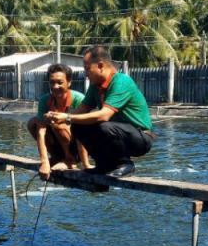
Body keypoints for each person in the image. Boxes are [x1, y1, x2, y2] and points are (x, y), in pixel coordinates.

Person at [44, 46, 153, 177]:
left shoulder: (121, 81)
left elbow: (104, 115)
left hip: (140, 138)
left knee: (104, 125)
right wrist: (56, 115)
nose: (85, 73)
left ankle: (125, 164)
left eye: (87, 69)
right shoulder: (95, 86)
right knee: (79, 126)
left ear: (100, 65)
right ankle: (103, 164)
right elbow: (81, 110)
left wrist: (67, 118)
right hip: (117, 135)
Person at [27, 64, 91, 181]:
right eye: (52, 82)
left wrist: (86, 164)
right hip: (60, 142)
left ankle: (70, 160)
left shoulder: (79, 99)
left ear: (69, 82)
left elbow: (85, 133)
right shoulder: (45, 101)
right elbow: (41, 132)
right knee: (32, 123)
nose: (55, 86)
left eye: (60, 82)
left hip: (78, 147)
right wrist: (44, 162)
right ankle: (56, 157)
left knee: (57, 121)